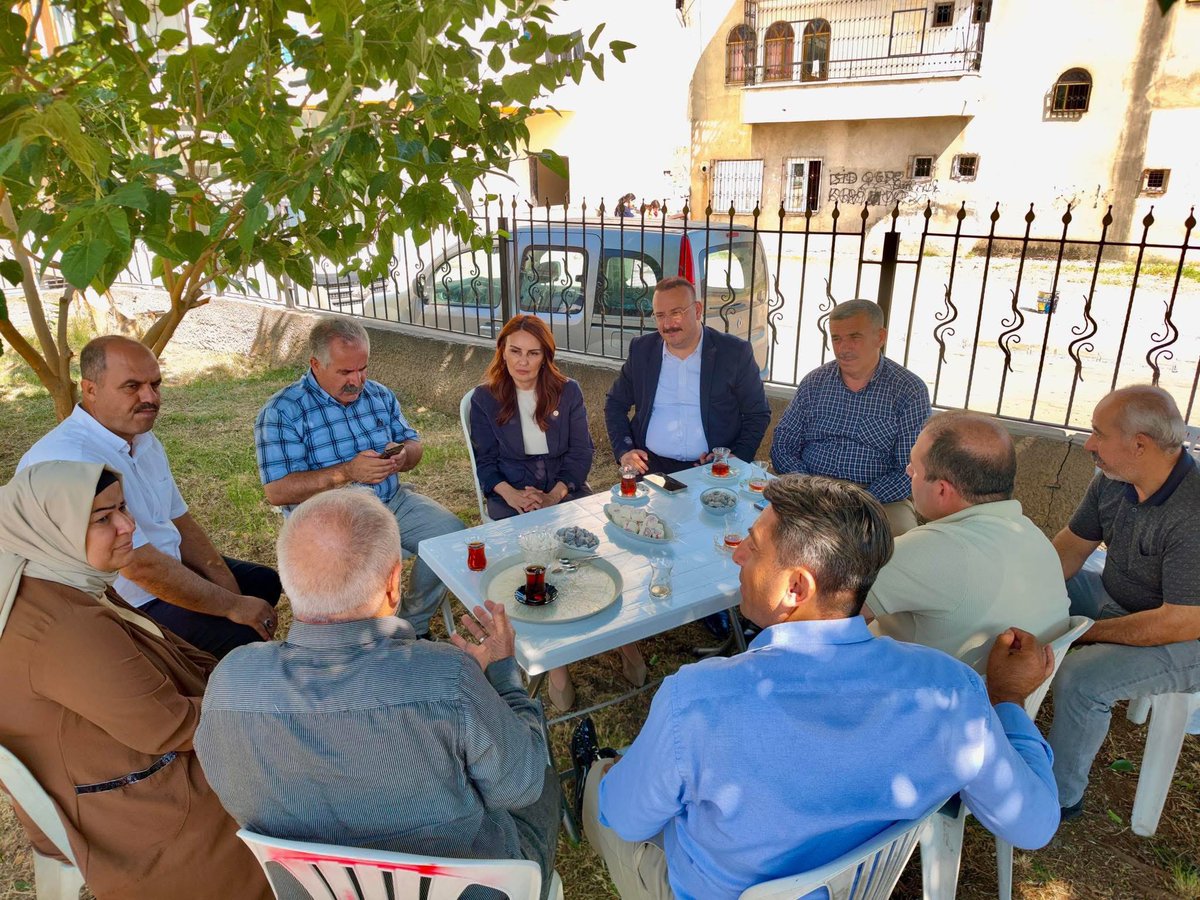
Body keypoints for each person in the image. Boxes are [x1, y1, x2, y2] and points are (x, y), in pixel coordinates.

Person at [576, 475, 1060, 900]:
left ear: (795, 589)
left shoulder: (697, 701)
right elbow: (1034, 824)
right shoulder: (949, 691)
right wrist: (1010, 700)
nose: (738, 553)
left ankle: (587, 772)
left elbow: (628, 821)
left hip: (708, 889)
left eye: (753, 544)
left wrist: (623, 779)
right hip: (859, 883)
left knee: (604, 791)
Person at [194, 489, 560, 899]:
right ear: (392, 584)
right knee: (539, 767)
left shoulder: (230, 683)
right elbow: (520, 787)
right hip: (470, 889)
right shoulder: (449, 678)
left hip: (321, 890)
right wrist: (503, 680)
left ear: (290, 581)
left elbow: (226, 786)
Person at [0, 461, 270, 900]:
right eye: (103, 518)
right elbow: (170, 726)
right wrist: (266, 701)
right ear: (55, 523)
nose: (128, 526)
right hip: (130, 803)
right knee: (288, 781)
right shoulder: (63, 624)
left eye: (122, 508)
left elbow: (163, 649)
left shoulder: (56, 575)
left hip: (105, 755)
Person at [18, 335, 280, 658]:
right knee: (241, 634)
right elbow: (139, 568)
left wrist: (227, 587)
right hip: (120, 605)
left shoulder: (143, 440)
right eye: (132, 387)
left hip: (163, 567)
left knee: (264, 584)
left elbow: (179, 519)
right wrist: (233, 608)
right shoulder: (72, 459)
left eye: (155, 384)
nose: (150, 397)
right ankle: (209, 689)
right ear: (90, 390)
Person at [471, 315, 645, 710]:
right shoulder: (485, 398)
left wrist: (555, 495)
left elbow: (581, 451)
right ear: (502, 350)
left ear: (546, 356)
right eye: (514, 351)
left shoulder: (568, 392)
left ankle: (626, 641)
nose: (522, 362)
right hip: (510, 494)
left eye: (533, 353)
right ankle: (558, 665)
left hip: (563, 488)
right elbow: (485, 462)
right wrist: (513, 495)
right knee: (536, 561)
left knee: (595, 553)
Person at [255, 316, 464, 637]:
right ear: (315, 364)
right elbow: (277, 491)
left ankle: (412, 625)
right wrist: (346, 472)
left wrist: (405, 454)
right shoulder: (283, 412)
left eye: (363, 368)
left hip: (391, 502)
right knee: (358, 577)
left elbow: (414, 445)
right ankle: (364, 638)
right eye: (345, 372)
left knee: (453, 538)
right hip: (330, 521)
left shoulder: (378, 395)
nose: (358, 380)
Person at [1047, 385, 1200, 821]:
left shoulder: (1193, 510)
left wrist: (1081, 634)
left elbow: (1179, 622)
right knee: (1026, 594)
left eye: (1098, 433)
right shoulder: (1113, 482)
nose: (1088, 444)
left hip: (1188, 636)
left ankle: (1059, 799)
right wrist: (1028, 593)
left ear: (1139, 445)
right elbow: (1069, 551)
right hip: (1118, 597)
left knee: (1080, 677)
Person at [864, 410, 1070, 670]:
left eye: (914, 468)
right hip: (1004, 699)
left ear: (942, 489)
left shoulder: (932, 548)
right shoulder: (1033, 536)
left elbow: (829, 615)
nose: (907, 472)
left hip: (925, 698)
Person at [770, 298, 930, 535]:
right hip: (810, 491)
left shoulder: (908, 390)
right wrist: (808, 487)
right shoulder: (815, 382)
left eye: (854, 337)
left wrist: (859, 501)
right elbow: (783, 445)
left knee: (900, 546)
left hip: (877, 500)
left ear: (880, 337)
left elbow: (909, 469)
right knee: (760, 529)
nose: (843, 348)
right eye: (836, 338)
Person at [604, 275, 771, 476]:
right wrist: (625, 450)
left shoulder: (733, 353)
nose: (667, 324)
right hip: (651, 469)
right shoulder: (642, 351)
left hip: (711, 470)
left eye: (676, 313)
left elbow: (757, 413)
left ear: (698, 310)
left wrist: (738, 457)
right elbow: (615, 403)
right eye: (660, 315)